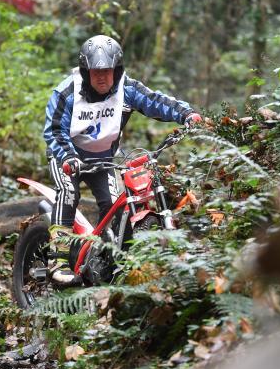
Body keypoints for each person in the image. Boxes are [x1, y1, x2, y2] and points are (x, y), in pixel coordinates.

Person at [43, 34, 201, 284]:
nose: (103, 77)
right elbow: (54, 130)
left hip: (104, 159)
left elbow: (156, 101)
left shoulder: (126, 88)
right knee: (68, 193)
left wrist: (187, 114)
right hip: (68, 157)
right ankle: (57, 260)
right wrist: (69, 157)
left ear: (117, 70)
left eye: (108, 71)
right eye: (96, 72)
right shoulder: (67, 92)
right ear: (86, 72)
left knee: (116, 204)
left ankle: (117, 261)